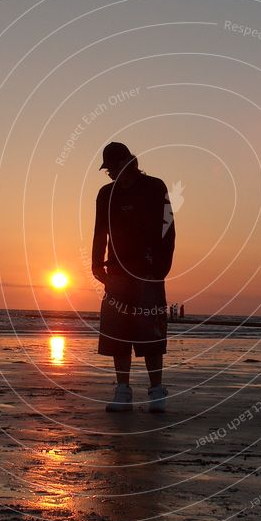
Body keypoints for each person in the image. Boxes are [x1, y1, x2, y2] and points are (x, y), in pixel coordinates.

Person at [92, 142, 175, 412]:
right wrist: (96, 265)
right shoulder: (105, 194)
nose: (111, 174)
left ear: (127, 162)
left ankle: (156, 391)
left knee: (150, 333)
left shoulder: (155, 187)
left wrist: (162, 267)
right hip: (116, 271)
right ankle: (123, 390)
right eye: (108, 170)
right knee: (118, 333)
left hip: (149, 271)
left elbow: (168, 228)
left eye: (114, 168)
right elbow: (99, 231)